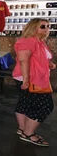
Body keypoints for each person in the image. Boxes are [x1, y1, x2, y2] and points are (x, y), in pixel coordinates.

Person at [12, 18, 55, 146]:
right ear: (33, 27)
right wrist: (26, 79)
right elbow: (24, 61)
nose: (47, 28)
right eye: (43, 26)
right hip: (30, 78)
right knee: (45, 106)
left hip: (34, 77)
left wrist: (50, 64)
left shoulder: (39, 42)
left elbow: (39, 57)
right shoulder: (27, 41)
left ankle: (22, 129)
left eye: (48, 26)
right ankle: (28, 133)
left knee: (25, 103)